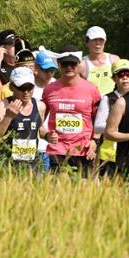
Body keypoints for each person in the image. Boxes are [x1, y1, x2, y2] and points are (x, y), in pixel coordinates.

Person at [42, 45, 100, 176]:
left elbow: (100, 120)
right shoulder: (49, 89)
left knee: (84, 193)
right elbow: (38, 120)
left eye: (72, 64)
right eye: (65, 64)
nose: (69, 67)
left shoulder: (91, 89)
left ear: (79, 64)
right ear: (58, 65)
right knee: (59, 192)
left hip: (83, 150)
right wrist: (46, 135)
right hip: (57, 150)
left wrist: (95, 141)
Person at [0, 67, 47, 168]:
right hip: (7, 164)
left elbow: (40, 129)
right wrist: (8, 117)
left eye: (29, 87)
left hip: (32, 164)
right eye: (21, 88)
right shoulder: (2, 105)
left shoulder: (40, 106)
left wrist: (49, 135)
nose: (26, 92)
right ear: (11, 87)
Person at [93, 59, 129, 176]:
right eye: (120, 75)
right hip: (110, 153)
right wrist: (117, 129)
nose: (125, 78)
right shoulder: (108, 98)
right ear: (114, 78)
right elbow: (98, 126)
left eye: (128, 74)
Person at [33, 51, 58, 170]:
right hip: (36, 146)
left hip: (56, 145)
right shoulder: (28, 88)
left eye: (52, 70)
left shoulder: (57, 85)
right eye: (46, 70)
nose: (50, 74)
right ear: (36, 68)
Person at [79, 26, 119, 95]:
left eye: (101, 39)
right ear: (87, 42)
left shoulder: (114, 60)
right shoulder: (81, 64)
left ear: (105, 41)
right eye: (94, 39)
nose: (98, 43)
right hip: (91, 104)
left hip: (113, 103)